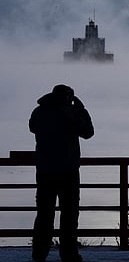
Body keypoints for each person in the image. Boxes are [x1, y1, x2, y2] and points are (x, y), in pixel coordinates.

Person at [29, 84, 94, 262]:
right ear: (69, 97)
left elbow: (32, 128)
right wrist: (81, 109)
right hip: (68, 171)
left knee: (44, 215)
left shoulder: (39, 111)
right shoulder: (71, 113)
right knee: (69, 215)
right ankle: (69, 254)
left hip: (44, 171)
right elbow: (88, 132)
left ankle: (39, 254)